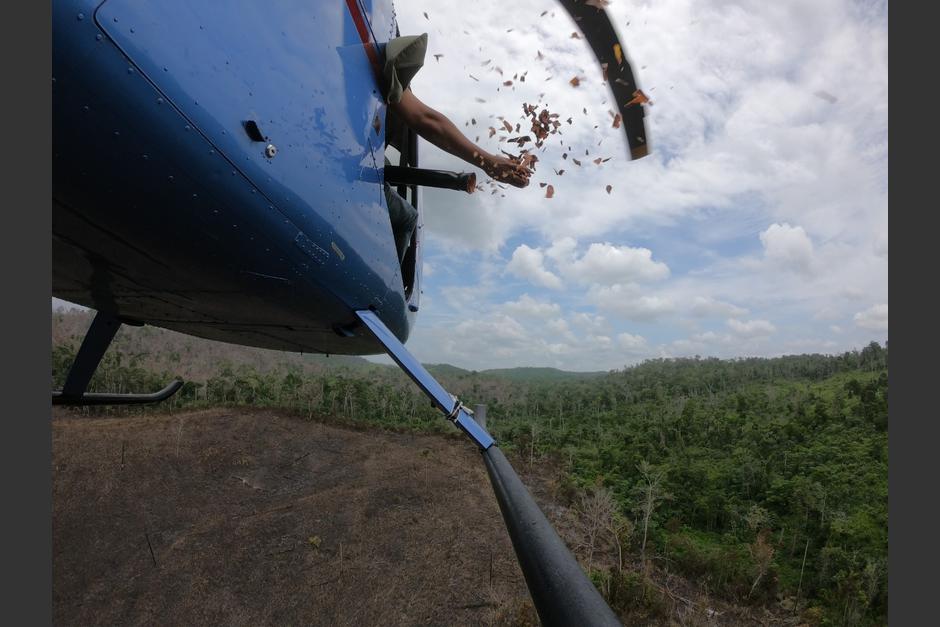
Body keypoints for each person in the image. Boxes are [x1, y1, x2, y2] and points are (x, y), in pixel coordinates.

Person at [380, 34, 532, 262]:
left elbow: (429, 122)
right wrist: (489, 162)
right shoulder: (381, 69)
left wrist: (490, 163)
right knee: (407, 218)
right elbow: (427, 121)